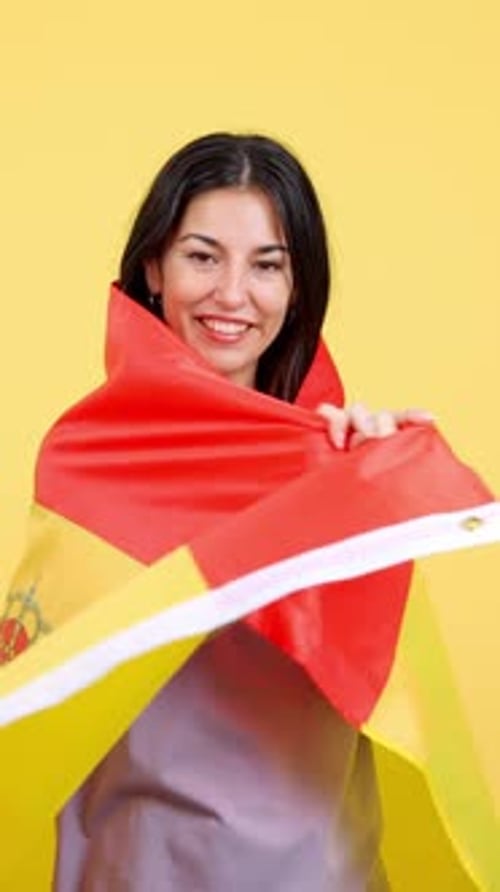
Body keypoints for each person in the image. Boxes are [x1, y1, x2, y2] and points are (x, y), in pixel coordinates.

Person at [53, 132, 431, 891]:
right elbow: (52, 689)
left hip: (313, 874)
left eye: (268, 265)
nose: (232, 294)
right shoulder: (86, 460)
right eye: (202, 256)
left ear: (297, 291)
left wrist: (389, 487)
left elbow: (380, 676)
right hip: (134, 868)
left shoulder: (347, 465)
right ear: (153, 269)